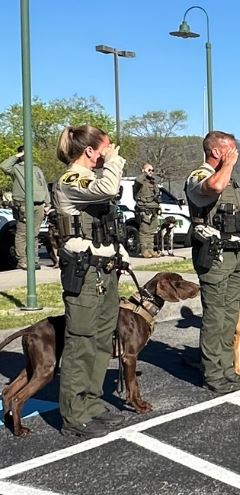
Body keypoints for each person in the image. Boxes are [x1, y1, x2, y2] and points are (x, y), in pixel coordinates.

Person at [52, 125, 129, 438]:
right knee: (81, 341)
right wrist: (114, 161)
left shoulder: (91, 179)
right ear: (89, 151)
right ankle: (74, 415)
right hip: (84, 272)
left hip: (104, 270)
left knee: (101, 340)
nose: (110, 152)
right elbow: (108, 188)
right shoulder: (71, 179)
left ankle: (92, 403)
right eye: (105, 147)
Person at [186, 131, 240, 393]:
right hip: (214, 255)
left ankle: (228, 368)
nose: (236, 154)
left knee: (229, 315)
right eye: (230, 149)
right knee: (215, 316)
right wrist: (228, 164)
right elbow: (213, 188)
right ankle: (212, 373)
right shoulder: (200, 176)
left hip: (233, 253)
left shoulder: (230, 179)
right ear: (215, 151)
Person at [1, 145, 49, 270]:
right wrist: (18, 155)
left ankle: (34, 260)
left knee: (34, 234)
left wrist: (47, 203)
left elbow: (43, 185)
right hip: (24, 204)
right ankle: (22, 260)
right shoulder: (15, 168)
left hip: (39, 204)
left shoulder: (36, 169)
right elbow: (4, 166)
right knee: (22, 233)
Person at [133, 163, 161, 258]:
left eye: (152, 170)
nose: (151, 172)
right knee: (144, 231)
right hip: (144, 209)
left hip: (153, 209)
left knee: (151, 231)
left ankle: (151, 250)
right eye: (149, 170)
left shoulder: (153, 182)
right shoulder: (141, 181)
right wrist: (145, 173)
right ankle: (144, 250)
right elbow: (138, 181)